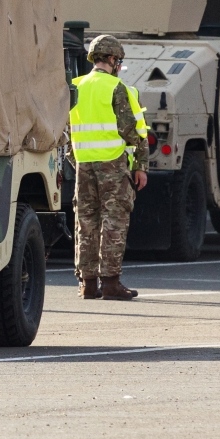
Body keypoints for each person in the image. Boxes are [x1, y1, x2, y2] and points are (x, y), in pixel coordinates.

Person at [69, 34, 148, 301]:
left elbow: (66, 131)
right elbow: (133, 130)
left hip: (83, 163)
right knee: (113, 221)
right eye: (119, 62)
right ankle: (111, 283)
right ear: (113, 59)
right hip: (112, 164)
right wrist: (140, 165)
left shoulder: (76, 87)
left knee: (85, 222)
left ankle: (88, 284)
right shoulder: (117, 88)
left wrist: (74, 160)